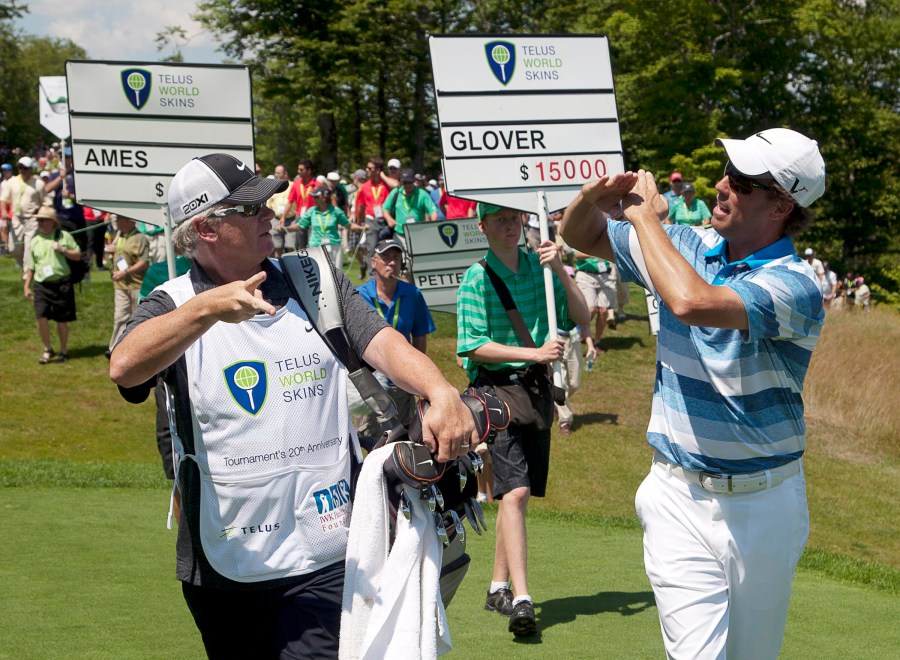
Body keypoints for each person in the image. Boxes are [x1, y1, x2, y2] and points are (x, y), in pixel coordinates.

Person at [108, 153, 475, 659]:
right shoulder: (172, 304)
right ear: (206, 229)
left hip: (325, 553)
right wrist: (207, 309)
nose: (270, 214)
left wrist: (440, 390)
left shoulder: (312, 276)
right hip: (225, 564)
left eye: (267, 202)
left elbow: (382, 341)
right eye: (251, 208)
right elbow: (124, 367)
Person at [560, 127, 826, 659]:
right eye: (729, 172)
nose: (723, 185)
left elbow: (691, 300)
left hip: (766, 503)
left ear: (781, 205)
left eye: (744, 182)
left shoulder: (797, 285)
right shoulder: (686, 243)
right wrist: (595, 196)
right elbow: (580, 235)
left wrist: (641, 215)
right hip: (677, 494)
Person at [457, 202, 590, 637]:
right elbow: (472, 345)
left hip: (533, 391)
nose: (510, 226)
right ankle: (522, 597)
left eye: (514, 218)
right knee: (513, 493)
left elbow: (582, 317)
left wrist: (562, 269)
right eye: (500, 219)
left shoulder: (541, 266)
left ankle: (498, 585)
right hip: (495, 393)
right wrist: (533, 352)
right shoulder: (477, 277)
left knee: (518, 494)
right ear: (483, 226)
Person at [353, 237, 436, 435]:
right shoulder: (358, 296)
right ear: (373, 262)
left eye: (396, 258)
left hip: (402, 380)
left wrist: (417, 375)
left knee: (405, 440)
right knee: (368, 440)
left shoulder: (412, 294)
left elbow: (419, 337)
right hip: (370, 383)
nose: (391, 262)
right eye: (386, 257)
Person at [23, 205, 80, 364]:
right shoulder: (35, 241)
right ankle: (47, 348)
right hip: (41, 285)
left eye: (43, 220)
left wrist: (62, 250)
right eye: (38, 220)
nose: (40, 223)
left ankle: (63, 351)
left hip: (62, 283)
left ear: (52, 222)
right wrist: (26, 285)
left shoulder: (63, 236)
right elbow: (31, 267)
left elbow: (77, 255)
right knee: (41, 317)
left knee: (61, 320)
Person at [107, 215, 150, 357]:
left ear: (128, 221)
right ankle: (115, 349)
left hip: (136, 285)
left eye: (119, 219)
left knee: (137, 318)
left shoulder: (140, 238)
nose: (116, 222)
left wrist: (125, 272)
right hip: (120, 285)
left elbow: (144, 262)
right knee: (120, 317)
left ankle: (138, 350)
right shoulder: (119, 236)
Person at [294, 185, 363, 270]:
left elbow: (349, 225)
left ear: (324, 197)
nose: (313, 199)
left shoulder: (336, 211)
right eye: (313, 197)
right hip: (315, 247)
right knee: (318, 275)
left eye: (316, 197)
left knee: (335, 276)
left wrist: (361, 228)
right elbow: (299, 226)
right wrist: (285, 228)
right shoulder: (311, 211)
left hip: (333, 246)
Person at [1, 156, 45, 271]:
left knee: (28, 249)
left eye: (25, 168)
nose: (22, 170)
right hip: (16, 219)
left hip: (32, 219)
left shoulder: (38, 183)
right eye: (20, 168)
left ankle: (27, 275)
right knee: (13, 249)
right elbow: (4, 199)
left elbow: (45, 202)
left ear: (31, 169)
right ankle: (30, 268)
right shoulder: (11, 182)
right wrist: (4, 211)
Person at [382, 168, 438, 253]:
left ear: (414, 181)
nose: (407, 185)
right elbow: (385, 208)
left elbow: (432, 211)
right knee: (401, 261)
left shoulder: (422, 194)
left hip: (418, 234)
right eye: (405, 182)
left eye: (409, 182)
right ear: (401, 182)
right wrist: (389, 219)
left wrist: (432, 224)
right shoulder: (396, 192)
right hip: (400, 234)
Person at [573, 251, 617, 350]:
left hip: (606, 276)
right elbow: (577, 255)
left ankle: (597, 342)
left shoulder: (605, 235)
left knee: (604, 311)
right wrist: (595, 252)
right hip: (586, 275)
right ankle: (583, 333)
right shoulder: (581, 236)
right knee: (590, 310)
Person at [282, 158, 317, 250]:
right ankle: (302, 263)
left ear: (309, 170)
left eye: (301, 170)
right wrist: (283, 217)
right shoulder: (296, 184)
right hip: (300, 218)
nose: (298, 172)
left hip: (314, 217)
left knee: (312, 244)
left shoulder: (317, 185)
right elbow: (290, 202)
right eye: (298, 169)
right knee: (300, 246)